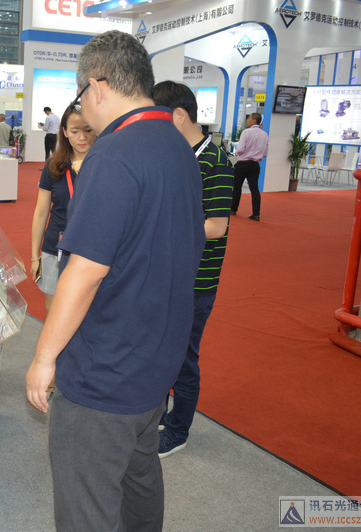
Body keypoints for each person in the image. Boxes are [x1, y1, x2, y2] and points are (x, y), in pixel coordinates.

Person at [25, 30, 205, 531]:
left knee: (87, 496)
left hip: (105, 369)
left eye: (80, 94)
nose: (82, 107)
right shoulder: (177, 144)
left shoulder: (113, 153)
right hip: (155, 357)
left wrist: (43, 358)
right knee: (139, 476)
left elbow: (84, 272)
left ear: (98, 87)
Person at [152, 80, 234, 458]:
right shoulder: (174, 155)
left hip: (196, 281)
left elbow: (216, 226)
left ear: (179, 115)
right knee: (161, 350)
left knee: (184, 357)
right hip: (167, 275)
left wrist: (163, 227)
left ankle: (178, 429)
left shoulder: (215, 162)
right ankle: (159, 417)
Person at [30, 104, 96, 314]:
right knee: (54, 310)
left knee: (88, 311)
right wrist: (35, 256)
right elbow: (41, 213)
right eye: (75, 131)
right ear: (65, 132)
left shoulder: (104, 165)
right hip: (55, 248)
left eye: (88, 130)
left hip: (92, 251)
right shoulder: (54, 165)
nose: (82, 137)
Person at [231, 112, 268, 221]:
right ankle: (256, 214)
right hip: (255, 165)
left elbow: (240, 149)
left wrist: (237, 153)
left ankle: (233, 209)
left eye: (249, 119)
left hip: (243, 163)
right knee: (254, 188)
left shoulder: (246, 132)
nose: (247, 120)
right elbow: (265, 153)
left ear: (254, 120)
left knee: (237, 187)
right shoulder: (264, 134)